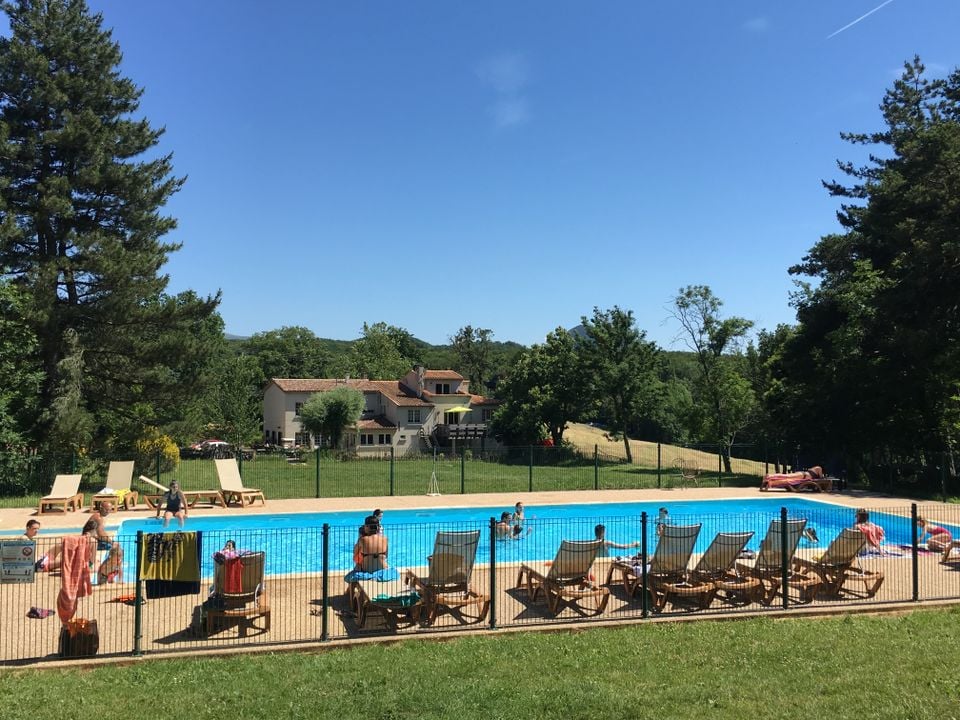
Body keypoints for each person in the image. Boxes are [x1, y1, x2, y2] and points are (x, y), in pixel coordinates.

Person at [89, 501, 124, 583]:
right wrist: (111, 542)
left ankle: (112, 566)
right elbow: (101, 534)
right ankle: (93, 564)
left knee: (116, 546)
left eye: (109, 510)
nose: (108, 512)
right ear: (101, 508)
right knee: (113, 546)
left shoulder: (99, 517)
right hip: (90, 541)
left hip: (95, 539)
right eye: (106, 510)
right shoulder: (98, 518)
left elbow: (101, 533)